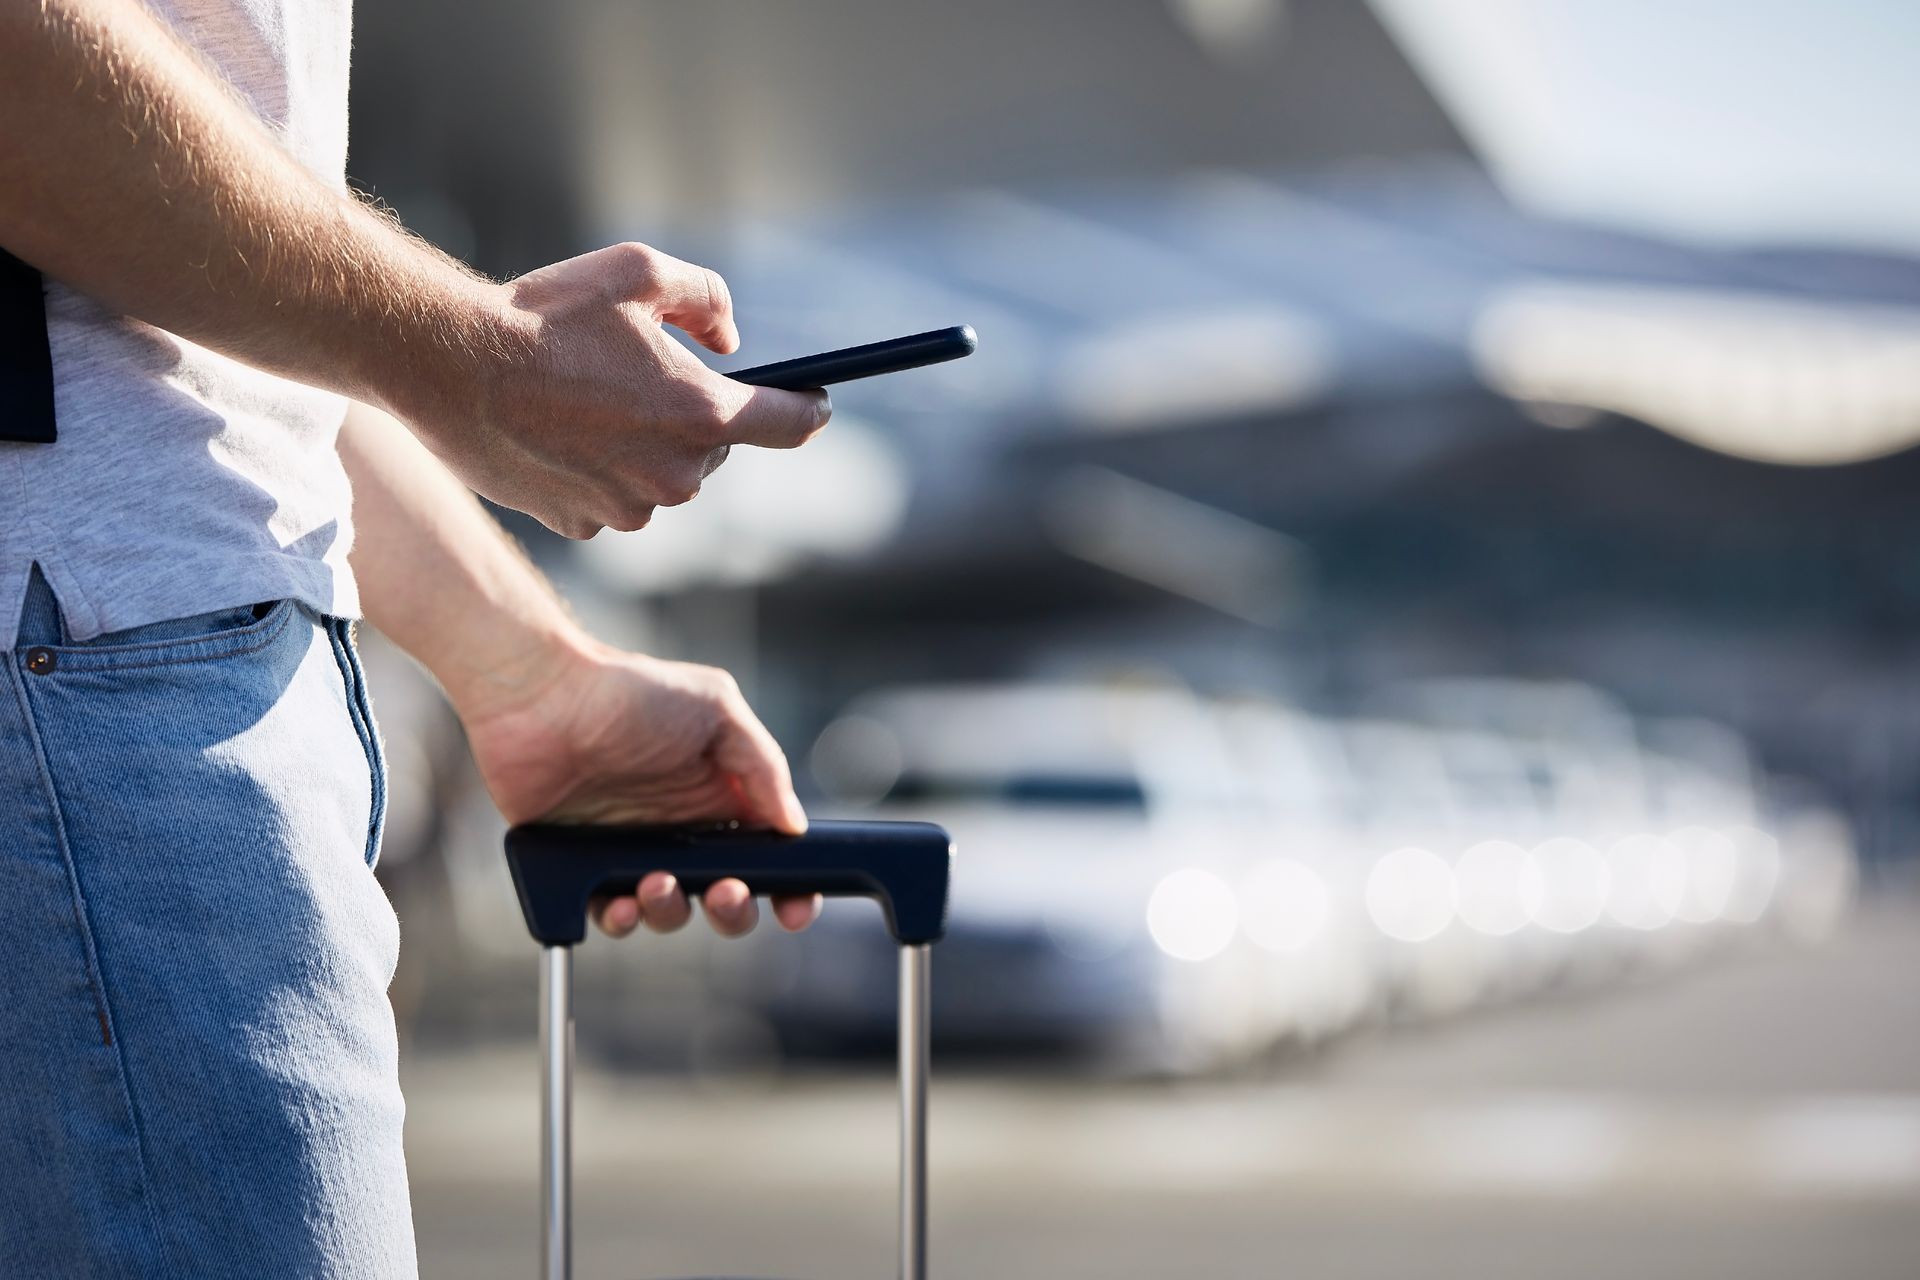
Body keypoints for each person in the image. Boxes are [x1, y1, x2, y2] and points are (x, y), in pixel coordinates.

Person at [0, 1, 834, 1273]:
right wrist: (476, 360)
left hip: (103, 656)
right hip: (88, 678)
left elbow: (197, 357)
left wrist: (529, 672)